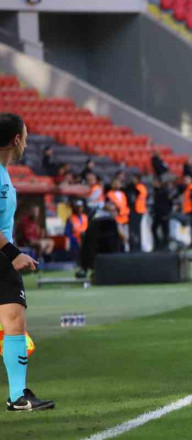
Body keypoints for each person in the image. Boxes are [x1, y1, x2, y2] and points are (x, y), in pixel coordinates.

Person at [0, 113, 54, 410]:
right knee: (13, 322)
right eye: (27, 136)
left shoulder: (3, 172)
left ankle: (18, 396)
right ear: (16, 139)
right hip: (2, 256)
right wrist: (13, 253)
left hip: (3, 255)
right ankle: (17, 395)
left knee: (14, 321)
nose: (27, 141)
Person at [105, 177, 130, 247]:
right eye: (115, 183)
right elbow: (109, 205)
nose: (117, 185)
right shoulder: (109, 194)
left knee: (126, 234)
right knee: (120, 234)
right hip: (116, 217)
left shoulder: (123, 194)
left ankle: (126, 248)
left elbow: (125, 204)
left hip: (125, 217)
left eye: (118, 183)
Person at [151, 178, 173, 251]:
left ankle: (165, 245)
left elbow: (169, 203)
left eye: (155, 182)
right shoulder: (156, 191)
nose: (154, 184)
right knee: (154, 228)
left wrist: (167, 213)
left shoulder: (164, 191)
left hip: (164, 213)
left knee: (165, 230)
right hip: (157, 213)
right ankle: (158, 244)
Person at [129, 174, 148, 252]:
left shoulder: (138, 187)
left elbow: (134, 198)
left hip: (137, 210)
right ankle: (137, 246)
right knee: (137, 229)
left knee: (135, 229)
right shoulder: (142, 187)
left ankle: (136, 247)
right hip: (140, 210)